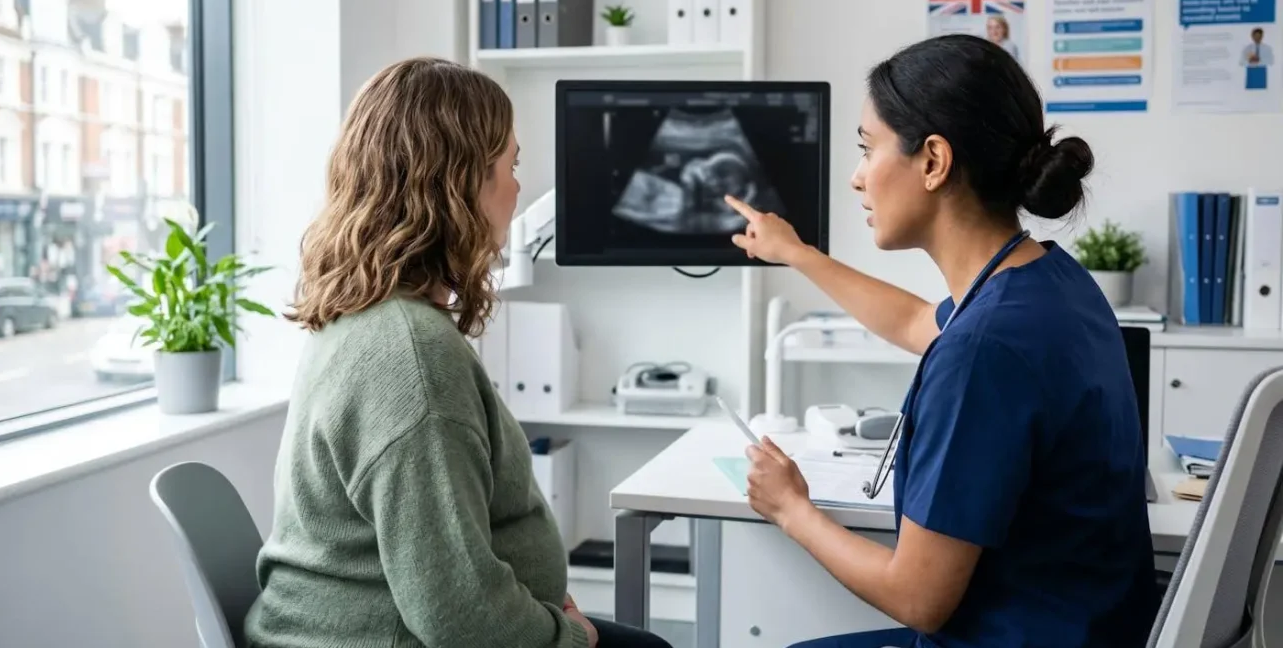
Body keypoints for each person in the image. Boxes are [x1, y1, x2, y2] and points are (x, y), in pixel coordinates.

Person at [722, 34, 1158, 648]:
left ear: (933, 161)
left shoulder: (984, 350)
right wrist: (796, 254)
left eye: (867, 148)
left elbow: (917, 599)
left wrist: (791, 509)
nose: (856, 178)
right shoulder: (1049, 282)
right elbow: (915, 322)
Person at [244, 57, 672, 648]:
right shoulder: (412, 358)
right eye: (510, 166)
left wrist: (545, 610)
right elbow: (458, 617)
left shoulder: (364, 315)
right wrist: (569, 637)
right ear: (460, 184)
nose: (518, 190)